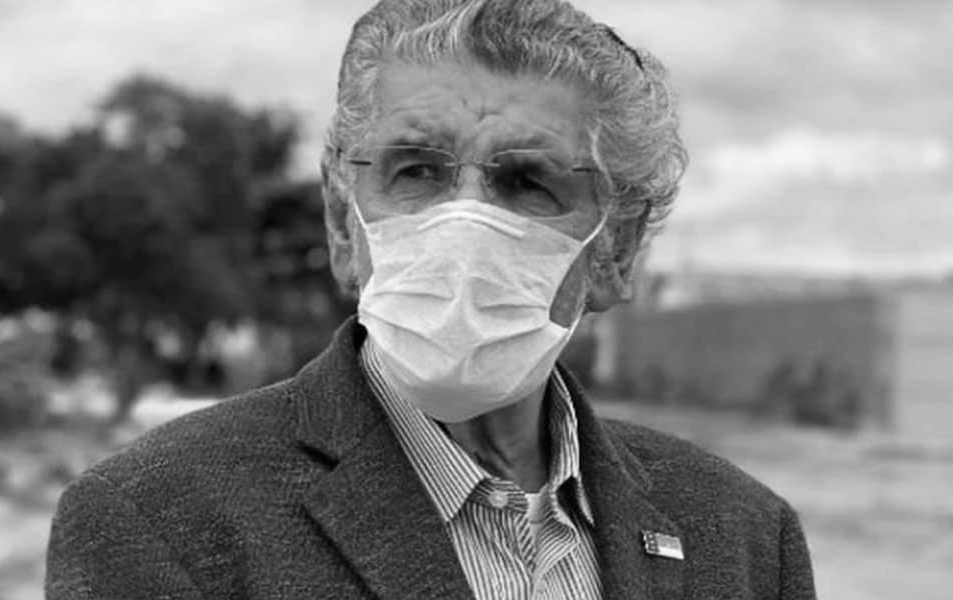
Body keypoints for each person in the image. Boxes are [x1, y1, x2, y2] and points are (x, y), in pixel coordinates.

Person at [46, 1, 817, 598]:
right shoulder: (158, 519)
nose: (463, 224)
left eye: (527, 182)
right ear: (342, 222)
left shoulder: (745, 538)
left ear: (615, 248)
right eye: (416, 172)